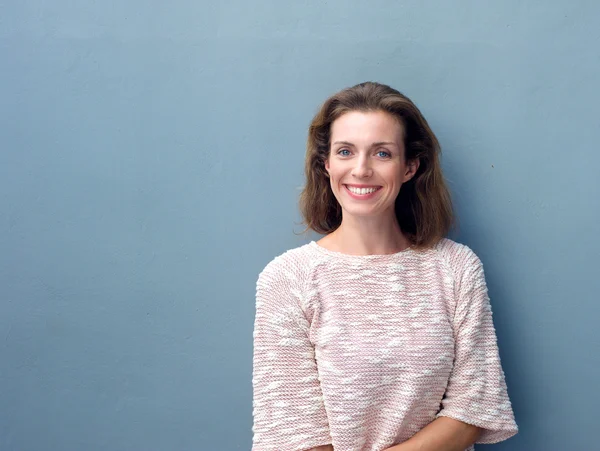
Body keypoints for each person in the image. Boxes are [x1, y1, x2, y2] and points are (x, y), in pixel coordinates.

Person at [251, 82, 518, 451]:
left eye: (381, 153)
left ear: (410, 166)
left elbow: (474, 408)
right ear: (326, 163)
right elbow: (292, 430)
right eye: (346, 151)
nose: (361, 170)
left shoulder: (456, 268)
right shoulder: (288, 279)